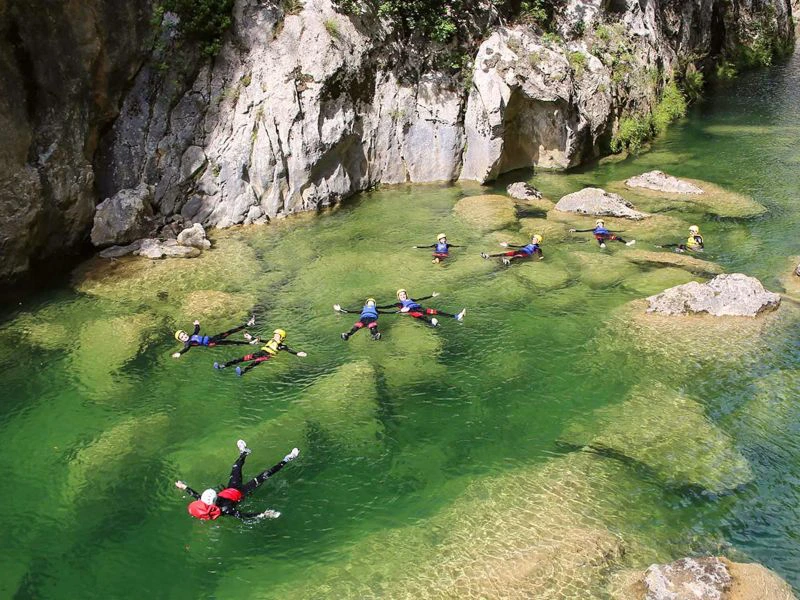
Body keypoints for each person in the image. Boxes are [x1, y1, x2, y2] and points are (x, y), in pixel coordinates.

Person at [175, 440, 299, 521]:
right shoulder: (226, 509)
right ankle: (288, 459)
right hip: (243, 492)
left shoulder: (205, 504)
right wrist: (264, 514)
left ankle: (244, 452)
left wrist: (183, 487)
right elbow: (243, 516)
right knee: (266, 474)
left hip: (231, 488)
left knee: (236, 467)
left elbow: (195, 495)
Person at [213, 329, 307, 376]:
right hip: (261, 352)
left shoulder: (281, 345)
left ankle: (242, 372)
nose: (275, 336)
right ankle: (223, 366)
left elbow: (288, 350)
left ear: (281, 338)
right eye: (274, 335)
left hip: (267, 356)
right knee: (242, 359)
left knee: (255, 362)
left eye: (277, 336)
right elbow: (260, 340)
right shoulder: (270, 341)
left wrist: (297, 353)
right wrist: (250, 337)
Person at [172, 315, 257, 358]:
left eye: (184, 335)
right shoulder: (188, 343)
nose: (184, 337)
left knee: (229, 332)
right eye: (182, 337)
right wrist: (179, 353)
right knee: (231, 341)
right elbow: (185, 349)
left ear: (186, 333)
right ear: (182, 340)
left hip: (213, 338)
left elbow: (197, 330)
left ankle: (248, 324)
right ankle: (250, 343)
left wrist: (197, 325)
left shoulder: (191, 336)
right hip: (211, 343)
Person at [377, 289, 465, 327]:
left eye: (404, 294)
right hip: (413, 312)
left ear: (406, 295)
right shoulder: (398, 304)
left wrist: (431, 296)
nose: (403, 296)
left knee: (437, 312)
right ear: (398, 297)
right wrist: (375, 307)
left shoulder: (411, 299)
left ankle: (456, 317)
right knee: (423, 317)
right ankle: (432, 324)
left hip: (420, 309)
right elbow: (387, 307)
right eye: (401, 295)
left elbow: (421, 299)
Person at [334, 297, 398, 341]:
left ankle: (375, 335)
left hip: (371, 321)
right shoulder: (363, 310)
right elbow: (351, 311)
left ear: (374, 305)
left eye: (372, 303)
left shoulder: (376, 310)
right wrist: (340, 309)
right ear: (366, 304)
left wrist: (398, 311)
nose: (371, 303)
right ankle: (347, 335)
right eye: (369, 302)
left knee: (372, 326)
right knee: (356, 326)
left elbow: (387, 312)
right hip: (362, 321)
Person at [569, 219, 636, 248]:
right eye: (599, 223)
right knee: (600, 239)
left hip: (606, 235)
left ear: (603, 224)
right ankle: (602, 244)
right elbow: (584, 230)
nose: (600, 223)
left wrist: (624, 231)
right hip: (599, 236)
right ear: (597, 225)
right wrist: (575, 230)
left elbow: (616, 231)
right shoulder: (595, 229)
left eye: (601, 223)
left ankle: (627, 243)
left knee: (618, 237)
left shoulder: (605, 229)